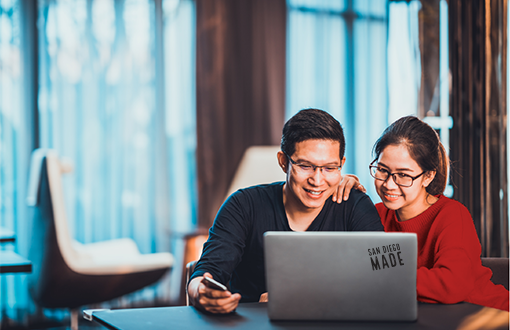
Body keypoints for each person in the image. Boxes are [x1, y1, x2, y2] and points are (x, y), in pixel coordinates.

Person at [188, 108, 383, 314]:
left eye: (329, 168)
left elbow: (382, 273)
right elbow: (206, 272)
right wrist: (201, 291)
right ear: (283, 162)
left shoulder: (354, 205)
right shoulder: (243, 205)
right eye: (305, 166)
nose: (317, 181)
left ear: (341, 165)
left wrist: (304, 298)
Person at [368, 116, 509, 311]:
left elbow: (451, 284)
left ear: (428, 176)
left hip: (486, 314)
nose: (389, 184)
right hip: (428, 317)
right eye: (383, 170)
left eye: (403, 175)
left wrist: (378, 278)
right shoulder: (375, 214)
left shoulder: (451, 215)